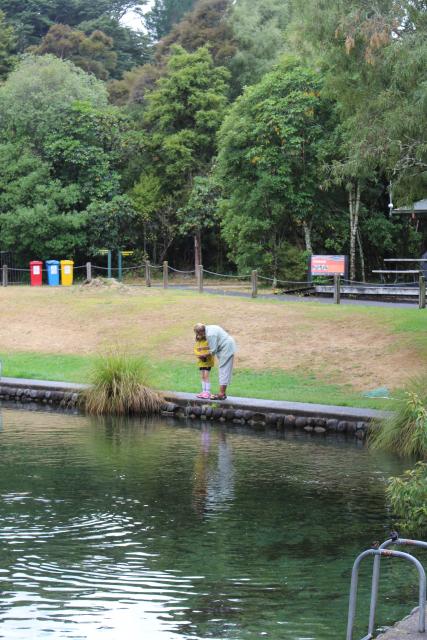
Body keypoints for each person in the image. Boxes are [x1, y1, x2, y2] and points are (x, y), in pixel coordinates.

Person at [193, 324, 236, 400]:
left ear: (200, 331)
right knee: (224, 370)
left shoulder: (210, 334)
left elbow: (213, 351)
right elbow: (215, 346)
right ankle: (223, 393)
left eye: (198, 334)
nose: (200, 336)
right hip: (227, 346)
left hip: (226, 348)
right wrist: (204, 350)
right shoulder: (210, 328)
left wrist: (203, 355)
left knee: (223, 370)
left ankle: (221, 394)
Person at [194, 329, 214, 399]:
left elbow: (211, 349)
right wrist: (199, 355)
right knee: (202, 376)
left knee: (206, 376)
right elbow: (196, 350)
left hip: (207, 361)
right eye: (197, 335)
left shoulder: (208, 341)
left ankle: (208, 392)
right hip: (201, 362)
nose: (199, 336)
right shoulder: (198, 342)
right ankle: (203, 391)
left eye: (200, 334)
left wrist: (205, 354)